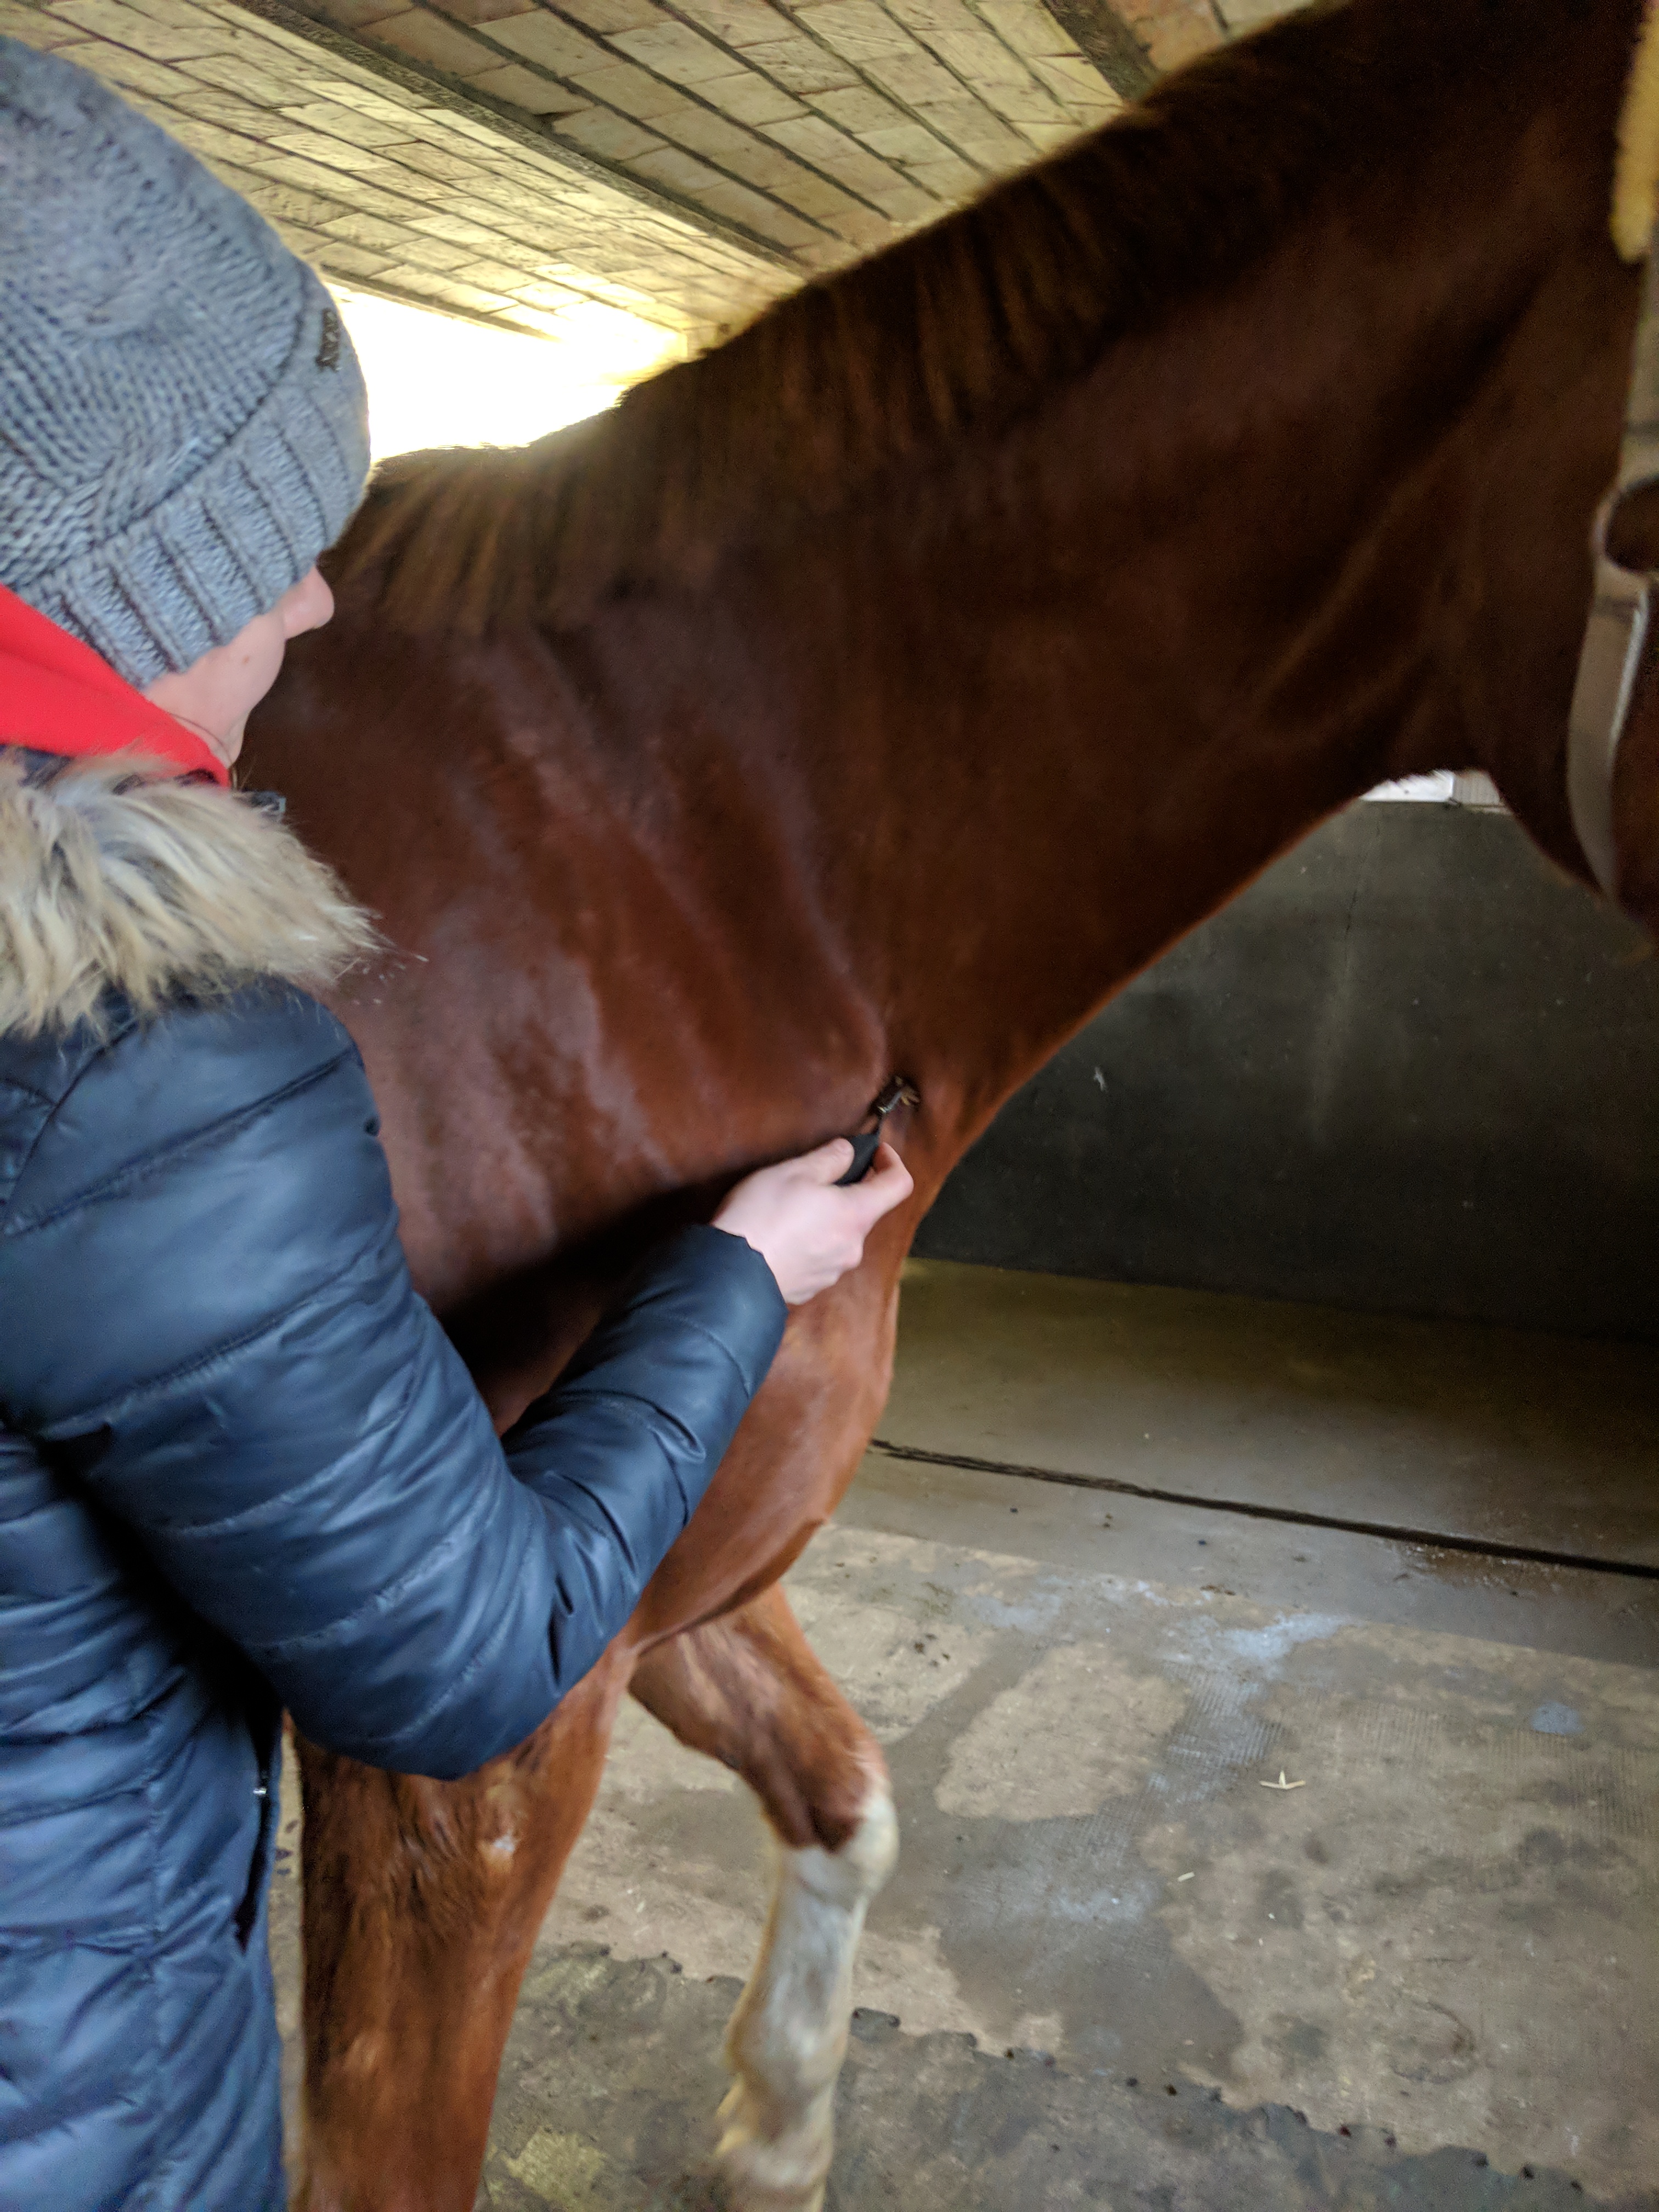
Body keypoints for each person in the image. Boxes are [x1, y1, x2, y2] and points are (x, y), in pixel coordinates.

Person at [0, 40, 913, 2212]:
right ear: (86, 607)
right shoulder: (138, 1060)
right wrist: (726, 1284)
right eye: (262, 551)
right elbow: (461, 1655)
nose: (320, 607)